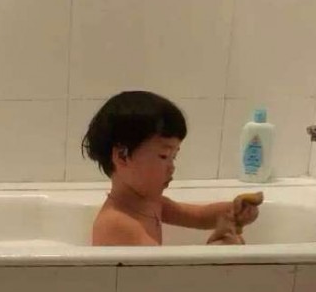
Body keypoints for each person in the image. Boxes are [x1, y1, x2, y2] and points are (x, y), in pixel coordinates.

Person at [83, 91, 262, 247]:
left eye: (173, 156)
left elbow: (199, 216)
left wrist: (235, 212)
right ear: (122, 156)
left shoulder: (153, 202)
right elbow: (163, 269)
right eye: (163, 156)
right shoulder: (117, 223)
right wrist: (216, 249)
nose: (172, 167)